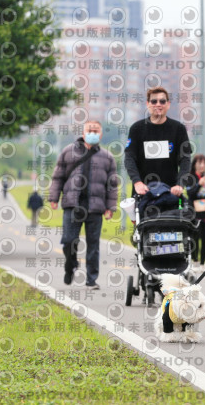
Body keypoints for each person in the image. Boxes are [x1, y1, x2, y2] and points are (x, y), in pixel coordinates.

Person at [49, 120, 118, 289]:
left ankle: (91, 279)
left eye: (96, 131)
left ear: (100, 134)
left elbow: (112, 184)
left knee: (93, 244)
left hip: (95, 206)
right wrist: (54, 197)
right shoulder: (68, 151)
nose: (92, 133)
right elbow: (58, 177)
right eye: (89, 130)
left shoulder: (107, 157)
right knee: (68, 240)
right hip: (72, 204)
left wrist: (110, 207)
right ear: (83, 132)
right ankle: (71, 265)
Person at [124, 86, 192, 197]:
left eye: (162, 101)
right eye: (154, 101)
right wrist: (137, 182)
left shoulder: (178, 129)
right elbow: (129, 158)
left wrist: (180, 184)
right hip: (144, 193)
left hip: (171, 193)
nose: (158, 104)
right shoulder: (136, 128)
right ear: (148, 104)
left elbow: (185, 159)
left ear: (168, 104)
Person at [187, 154, 205, 273]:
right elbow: (190, 194)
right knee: (195, 238)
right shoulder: (190, 178)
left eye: (204, 163)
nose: (202, 165)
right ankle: (195, 261)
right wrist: (199, 184)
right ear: (194, 164)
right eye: (199, 163)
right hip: (195, 213)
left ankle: (203, 263)